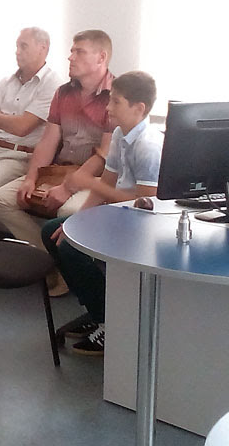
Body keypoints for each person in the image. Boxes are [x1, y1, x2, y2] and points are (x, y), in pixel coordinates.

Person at [42, 71, 161, 357]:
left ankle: (111, 323)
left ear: (139, 108)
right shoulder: (121, 134)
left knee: (71, 249)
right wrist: (75, 222)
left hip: (140, 226)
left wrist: (89, 183)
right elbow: (107, 182)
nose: (108, 108)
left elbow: (146, 203)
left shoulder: (148, 146)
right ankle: (100, 312)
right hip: (117, 216)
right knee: (54, 232)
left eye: (116, 102)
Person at [0, 29, 115, 296]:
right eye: (71, 51)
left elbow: (104, 155)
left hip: (95, 179)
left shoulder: (115, 96)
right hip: (60, 171)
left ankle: (72, 270)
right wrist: (31, 178)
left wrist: (67, 188)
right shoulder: (63, 93)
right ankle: (52, 262)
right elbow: (48, 141)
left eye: (79, 51)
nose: (70, 57)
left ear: (101, 57)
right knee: (1, 199)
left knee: (68, 211)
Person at [0, 27, 66, 191]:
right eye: (17, 46)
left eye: (23, 46)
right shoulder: (5, 82)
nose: (17, 52)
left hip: (19, 157)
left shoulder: (52, 84)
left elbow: (22, 127)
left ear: (43, 48)